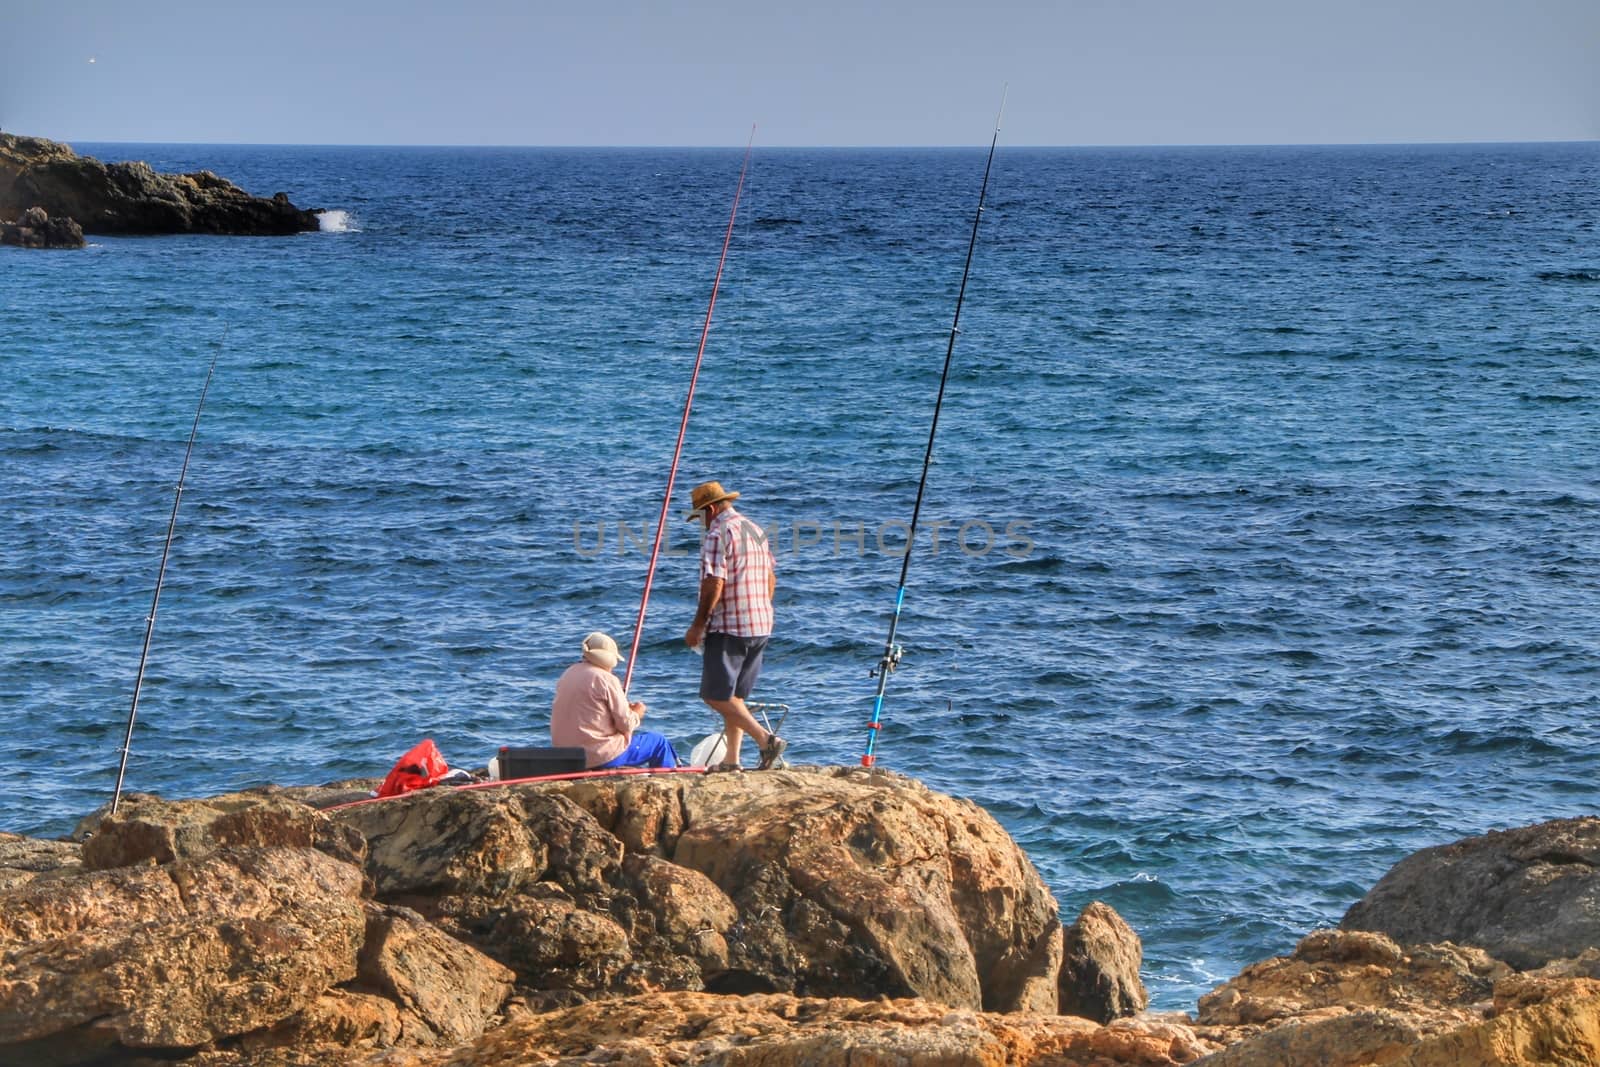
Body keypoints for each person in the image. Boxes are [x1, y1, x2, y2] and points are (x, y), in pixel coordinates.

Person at [682, 480, 787, 769]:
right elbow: (770, 577)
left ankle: (766, 740)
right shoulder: (754, 529)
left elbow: (714, 582)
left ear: (711, 509)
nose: (701, 523)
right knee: (735, 696)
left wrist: (698, 626)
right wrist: (760, 607)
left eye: (701, 516)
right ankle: (731, 760)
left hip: (730, 625)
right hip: (761, 623)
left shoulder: (718, 533)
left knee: (714, 696)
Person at [551, 631, 678, 769]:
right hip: (600, 757)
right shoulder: (606, 679)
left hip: (568, 758)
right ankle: (668, 781)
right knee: (658, 742)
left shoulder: (568, 674)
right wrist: (636, 713)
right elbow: (625, 724)